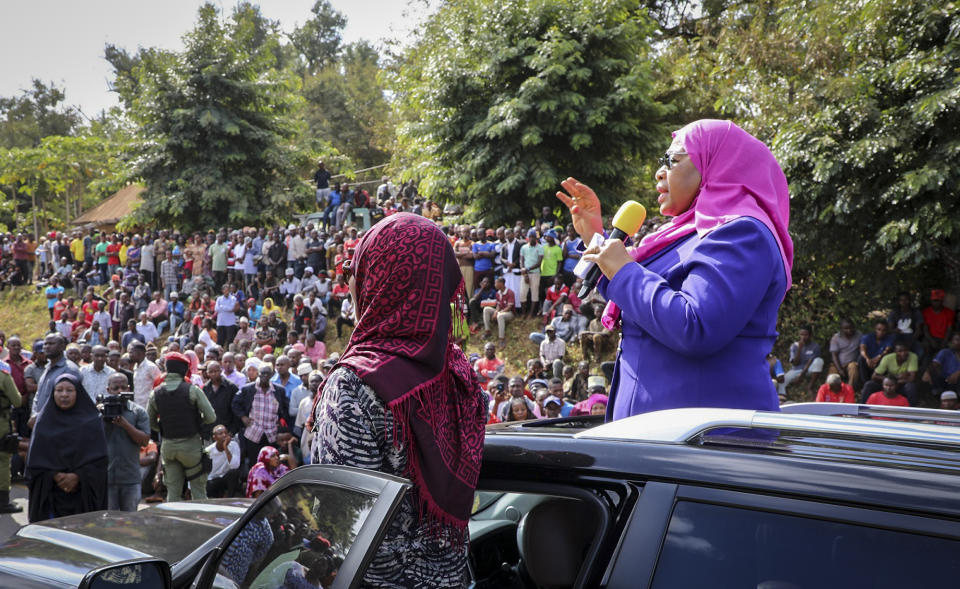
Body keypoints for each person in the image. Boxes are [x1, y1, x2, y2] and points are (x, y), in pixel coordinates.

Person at [558, 119, 792, 419]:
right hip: (657, 440)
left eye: (673, 160)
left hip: (706, 443)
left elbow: (696, 326)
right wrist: (595, 238)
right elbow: (643, 300)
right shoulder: (686, 233)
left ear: (715, 164)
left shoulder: (742, 234)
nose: (659, 171)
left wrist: (624, 271)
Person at [311, 213, 487, 587]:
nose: (349, 284)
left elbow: (340, 524)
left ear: (382, 280)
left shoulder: (354, 386)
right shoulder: (460, 375)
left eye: (353, 272)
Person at [26, 374, 108, 522]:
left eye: (69, 390)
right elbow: (34, 463)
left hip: (83, 498)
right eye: (59, 390)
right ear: (53, 393)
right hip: (50, 497)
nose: (64, 395)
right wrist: (55, 476)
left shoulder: (92, 422)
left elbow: (100, 461)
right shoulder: (43, 422)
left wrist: (77, 477)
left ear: (78, 392)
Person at [147, 353, 217, 502]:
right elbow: (211, 417)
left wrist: (164, 428)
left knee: (172, 492)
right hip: (191, 446)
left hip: (168, 447)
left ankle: (174, 524)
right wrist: (196, 422)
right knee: (198, 491)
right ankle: (201, 522)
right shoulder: (193, 390)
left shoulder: (156, 393)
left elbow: (150, 422)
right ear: (184, 370)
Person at [103, 373, 151, 511]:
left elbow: (144, 441)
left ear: (129, 389)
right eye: (115, 388)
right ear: (108, 390)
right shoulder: (99, 412)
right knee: (108, 521)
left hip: (130, 479)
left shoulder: (138, 412)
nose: (119, 391)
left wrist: (125, 425)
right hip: (106, 478)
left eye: (123, 387)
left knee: (130, 522)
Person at [206, 425, 241, 498]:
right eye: (220, 433)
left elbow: (235, 466)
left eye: (226, 433)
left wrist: (225, 447)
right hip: (213, 479)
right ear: (214, 437)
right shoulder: (209, 451)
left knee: (234, 473)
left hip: (226, 477)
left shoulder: (234, 445)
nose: (224, 435)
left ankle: (230, 498)